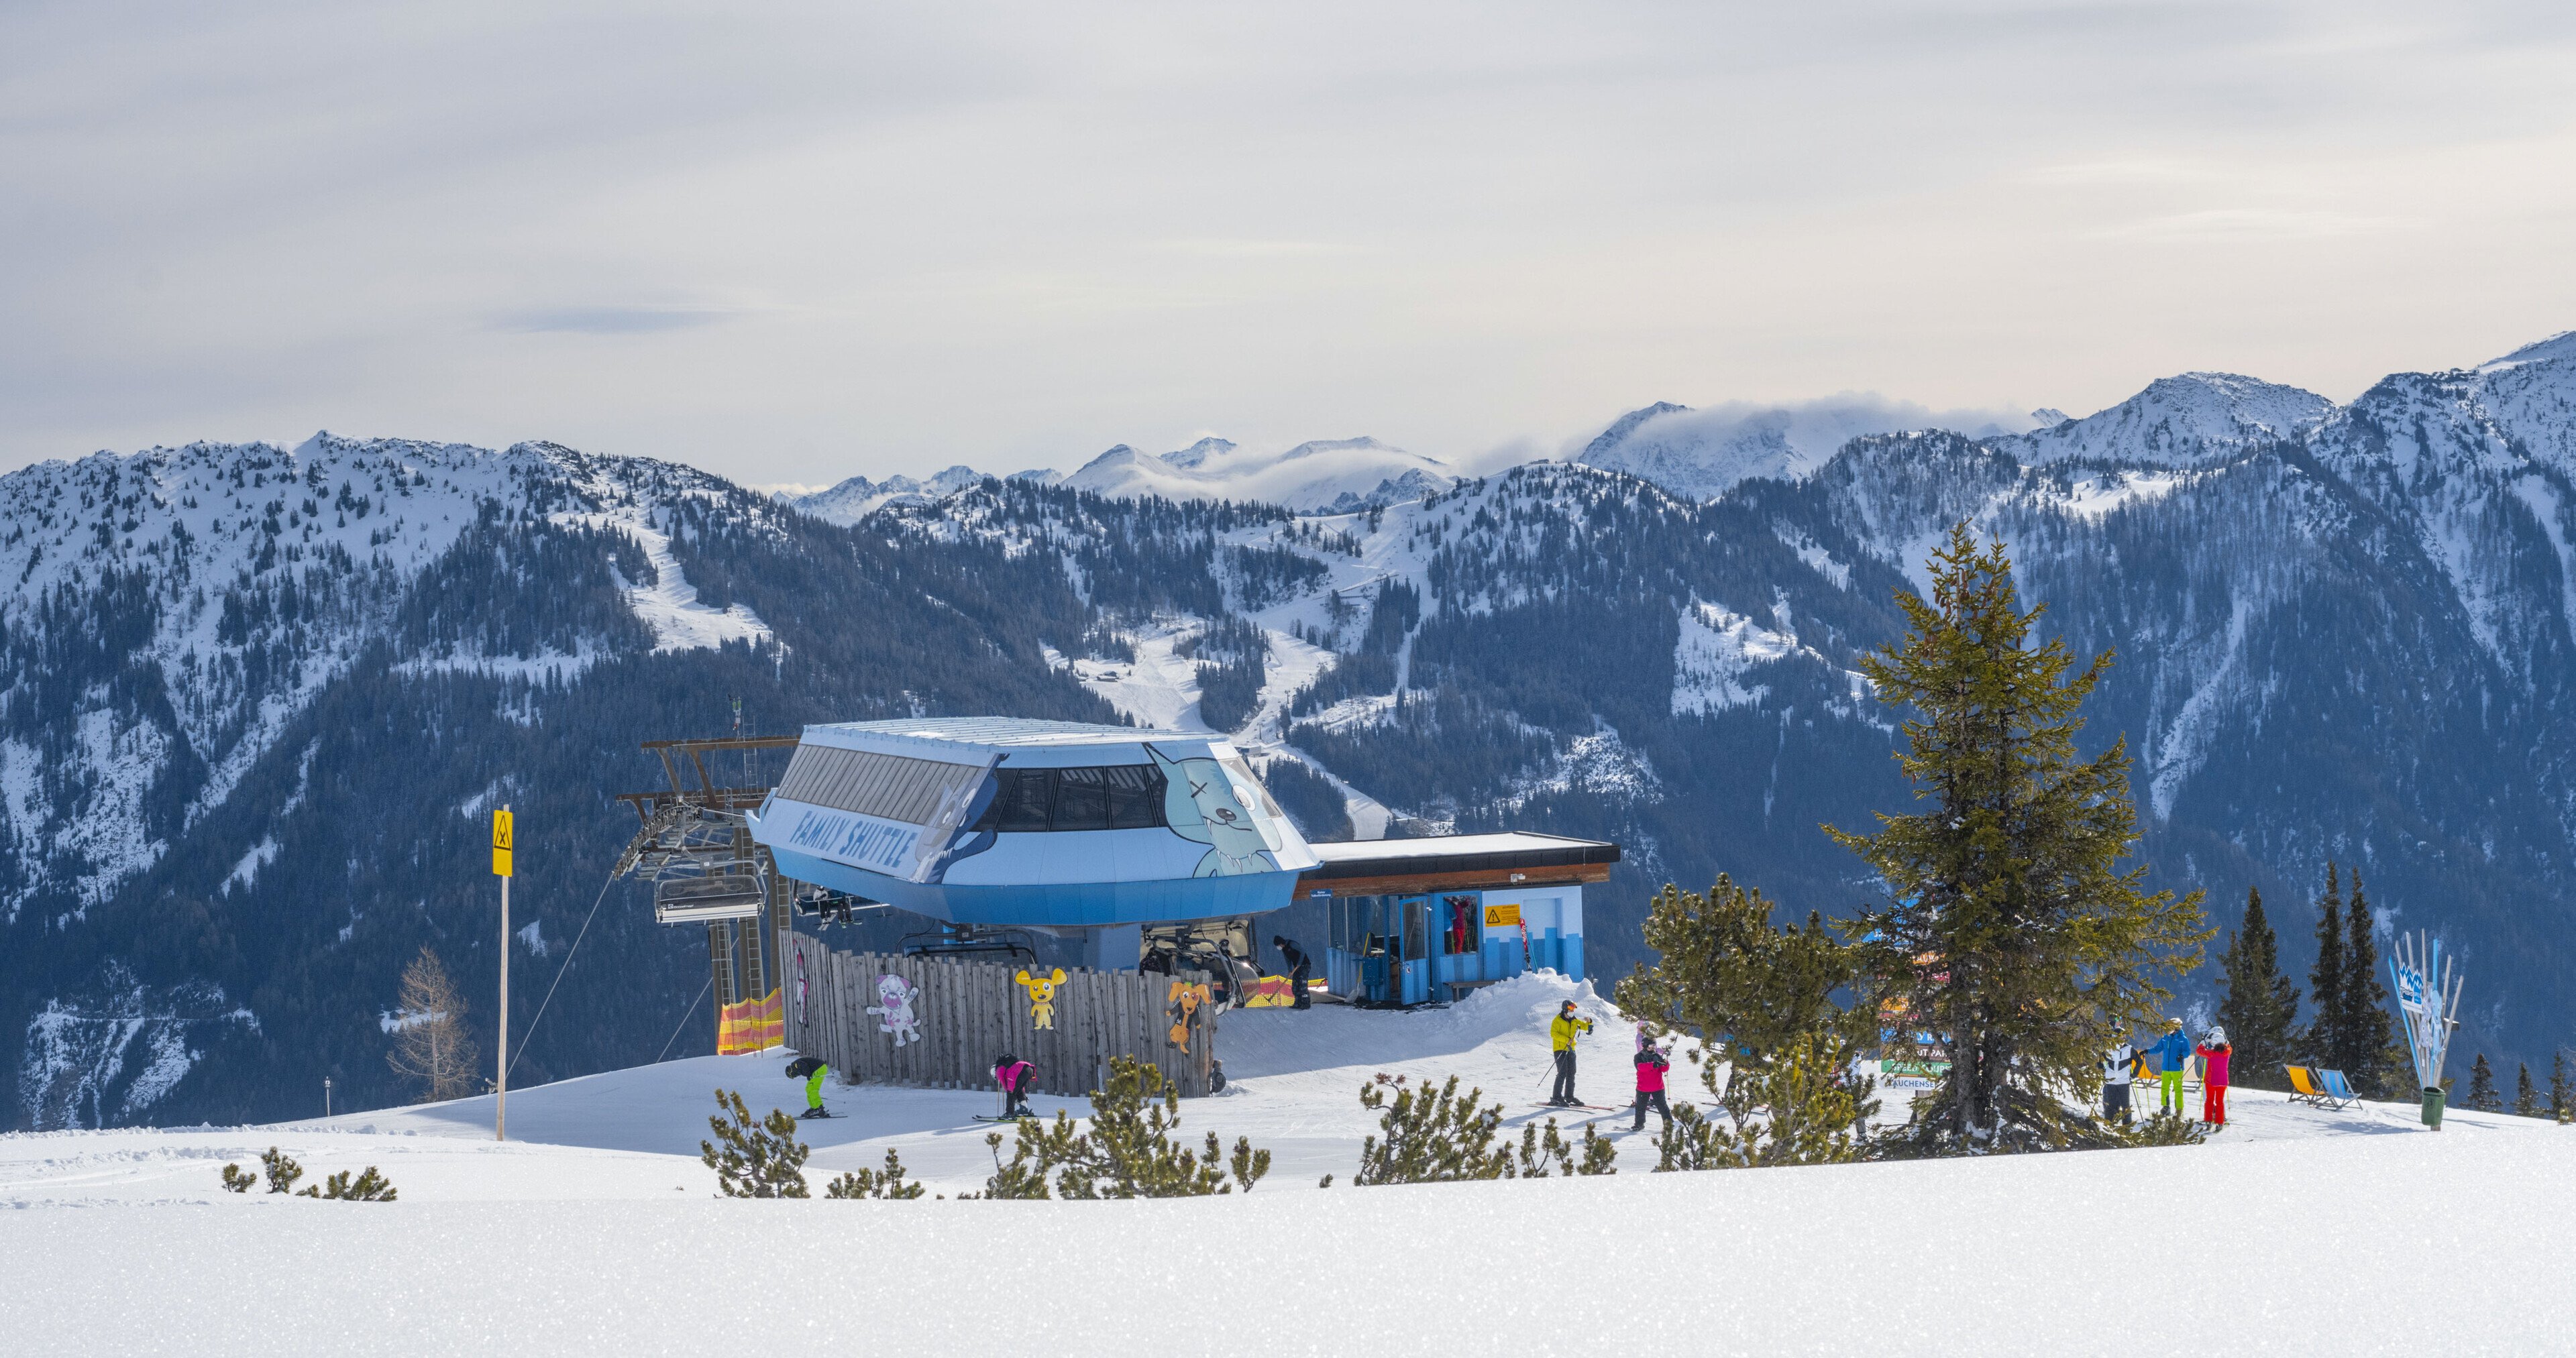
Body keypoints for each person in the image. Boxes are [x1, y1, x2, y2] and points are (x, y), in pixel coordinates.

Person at [1549, 1000, 1595, 1106]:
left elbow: (1585, 1027)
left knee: (1571, 1072)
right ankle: (1556, 1097)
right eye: (1570, 1009)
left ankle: (1569, 1096)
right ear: (1565, 1009)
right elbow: (1553, 1034)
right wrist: (1566, 1040)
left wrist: (1590, 1021)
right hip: (1560, 1048)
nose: (1572, 1010)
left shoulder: (1574, 1020)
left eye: (1573, 1009)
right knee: (1562, 1072)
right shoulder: (1558, 1020)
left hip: (1571, 1049)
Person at [2146, 1018, 2193, 1118]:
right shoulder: (2165, 1038)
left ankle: (2179, 1110)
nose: (2167, 1029)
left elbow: (2187, 1051)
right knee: (2164, 1089)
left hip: (2177, 1069)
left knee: (2178, 1090)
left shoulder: (2183, 1039)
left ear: (2176, 1028)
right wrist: (2147, 1051)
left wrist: (2182, 1055)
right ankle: (2166, 1108)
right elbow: (2157, 1048)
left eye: (2170, 1027)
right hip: (2166, 1069)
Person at [1631, 1027, 1673, 1133]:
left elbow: (1664, 1070)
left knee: (1662, 1107)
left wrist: (1665, 1063)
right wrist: (1654, 1065)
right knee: (1640, 1107)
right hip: (1643, 1087)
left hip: (1657, 1087)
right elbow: (1640, 1067)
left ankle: (1669, 1124)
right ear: (1645, 1046)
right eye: (1651, 1045)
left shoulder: (1657, 1056)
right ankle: (1639, 1124)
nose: (1653, 1048)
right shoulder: (1638, 1057)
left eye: (1654, 1045)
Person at [2196, 1026, 2232, 1128]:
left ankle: (2208, 1120)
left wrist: (2204, 1041)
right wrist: (2226, 1040)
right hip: (2223, 1081)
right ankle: (2220, 1122)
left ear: (2213, 1042)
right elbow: (2229, 1047)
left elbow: (2199, 1051)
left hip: (2211, 1081)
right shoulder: (2227, 1053)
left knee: (2209, 1101)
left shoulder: (2210, 1054)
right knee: (2220, 1102)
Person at [2102, 1037, 2137, 1124]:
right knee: (2111, 1106)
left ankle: (2126, 1128)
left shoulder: (2129, 1049)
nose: (2121, 1041)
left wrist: (2134, 1075)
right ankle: (2109, 1127)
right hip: (2111, 1082)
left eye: (2123, 1038)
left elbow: (2139, 1062)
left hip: (2123, 1082)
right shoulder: (2108, 1048)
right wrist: (2103, 1071)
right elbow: (2100, 1060)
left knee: (2125, 1106)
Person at [1273, 935, 1313, 1010]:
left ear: (1281, 943)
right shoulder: (1284, 950)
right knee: (1295, 986)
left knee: (1302, 984)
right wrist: (1290, 971)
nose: (1278, 947)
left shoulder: (1292, 944)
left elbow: (1303, 951)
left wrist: (1299, 963)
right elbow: (1288, 960)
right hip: (1296, 968)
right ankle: (1298, 1003)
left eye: (1278, 945)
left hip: (1304, 965)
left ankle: (1306, 1003)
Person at [992, 1052, 1036, 1119]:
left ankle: (1010, 1113)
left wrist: (1011, 1094)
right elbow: (1020, 1086)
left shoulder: (998, 1070)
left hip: (1020, 1070)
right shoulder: (1006, 1065)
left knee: (1011, 1092)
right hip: (1029, 1069)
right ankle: (1024, 1109)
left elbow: (1005, 1085)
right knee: (1018, 1089)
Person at [785, 1054, 829, 1119]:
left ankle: (819, 1109)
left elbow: (804, 1066)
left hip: (820, 1069)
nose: (796, 1076)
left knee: (812, 1089)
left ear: (791, 1072)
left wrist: (808, 1075)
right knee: (808, 1089)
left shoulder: (795, 1065)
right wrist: (809, 1075)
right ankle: (814, 1107)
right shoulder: (796, 1066)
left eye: (793, 1076)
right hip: (818, 1070)